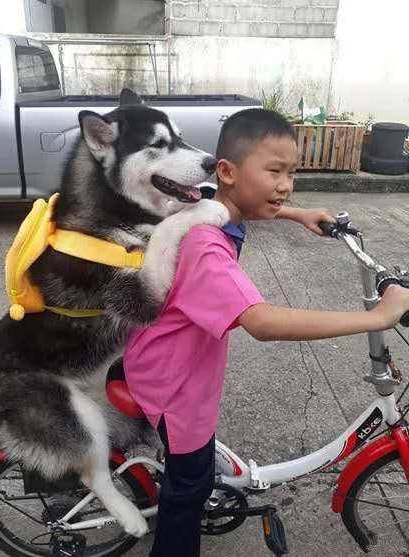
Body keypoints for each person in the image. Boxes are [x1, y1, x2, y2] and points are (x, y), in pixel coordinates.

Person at [123, 109, 409, 557]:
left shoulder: (210, 205)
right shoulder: (206, 247)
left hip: (167, 358)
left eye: (292, 173)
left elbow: (241, 203)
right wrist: (378, 318)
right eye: (274, 171)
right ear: (228, 171)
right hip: (174, 386)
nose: (285, 184)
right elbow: (262, 321)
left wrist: (295, 214)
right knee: (188, 490)